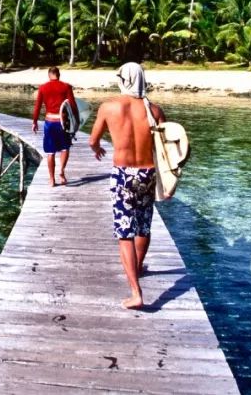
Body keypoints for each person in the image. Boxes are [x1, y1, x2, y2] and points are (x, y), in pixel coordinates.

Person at [88, 62, 165, 309]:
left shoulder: (109, 107)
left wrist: (98, 148)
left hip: (123, 175)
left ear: (123, 80)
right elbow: (166, 150)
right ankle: (139, 268)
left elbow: (92, 140)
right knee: (143, 225)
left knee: (125, 233)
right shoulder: (154, 110)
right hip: (148, 173)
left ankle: (136, 292)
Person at [31, 66, 80, 186]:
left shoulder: (43, 87)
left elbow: (37, 106)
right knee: (65, 148)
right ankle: (62, 173)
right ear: (59, 75)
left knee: (50, 152)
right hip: (63, 124)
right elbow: (73, 106)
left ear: (49, 75)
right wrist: (77, 121)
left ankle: (52, 179)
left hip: (49, 123)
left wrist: (35, 121)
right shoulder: (66, 87)